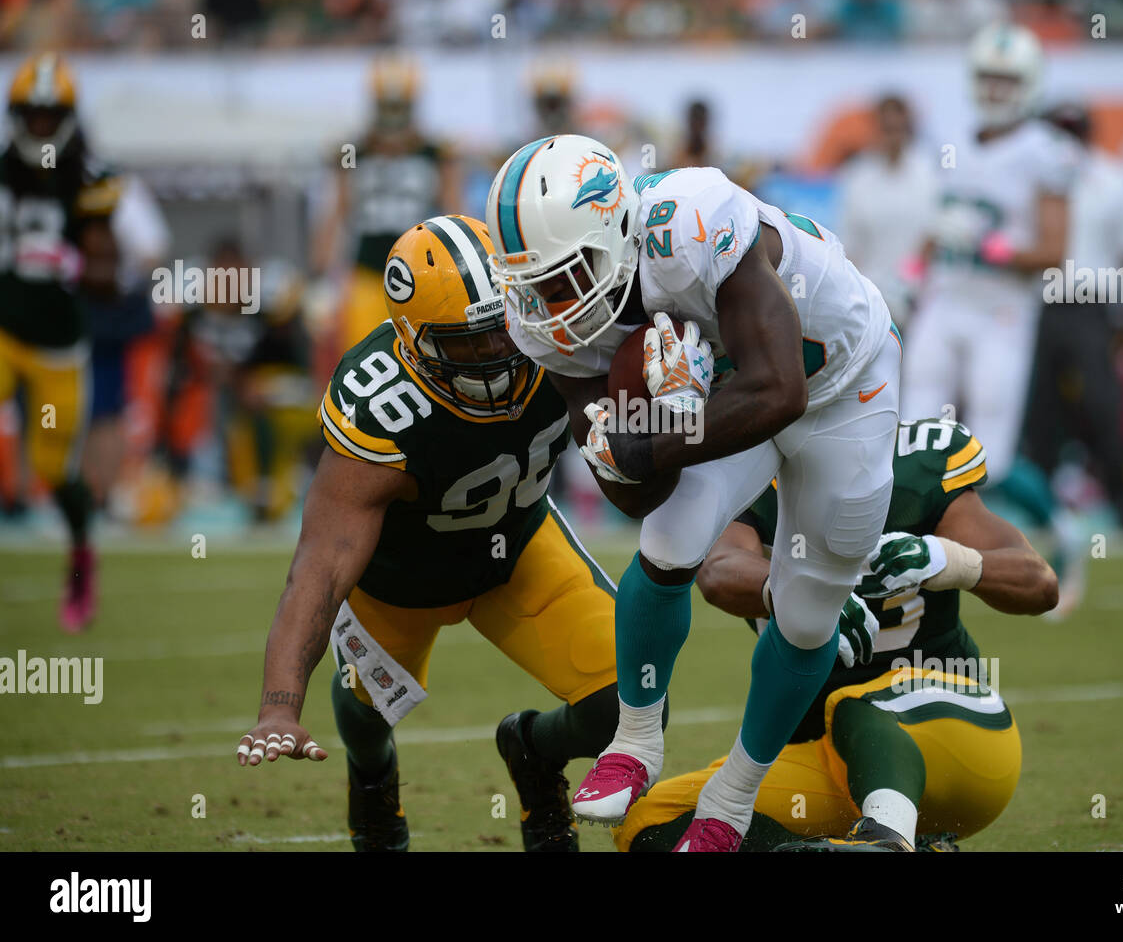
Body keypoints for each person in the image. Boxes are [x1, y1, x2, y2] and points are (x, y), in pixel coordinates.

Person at [486, 133, 901, 851]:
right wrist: (651, 437)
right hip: (731, 395)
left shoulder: (691, 224)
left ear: (617, 231)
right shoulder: (546, 324)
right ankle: (635, 738)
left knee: (805, 613)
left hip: (845, 385)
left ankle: (731, 800)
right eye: (534, 284)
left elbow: (780, 389)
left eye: (566, 275)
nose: (550, 304)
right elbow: (633, 496)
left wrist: (658, 434)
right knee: (668, 538)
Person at [235, 216, 624, 854]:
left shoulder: (566, 334)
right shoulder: (382, 404)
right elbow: (321, 565)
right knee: (365, 721)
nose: (497, 353)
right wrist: (279, 705)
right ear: (413, 342)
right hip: (401, 584)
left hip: (518, 550)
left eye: (502, 328)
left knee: (629, 698)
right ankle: (373, 778)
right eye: (467, 344)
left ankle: (532, 750)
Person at [617, 418, 1057, 851]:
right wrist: (795, 593)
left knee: (855, 706)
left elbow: (1040, 584)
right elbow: (718, 573)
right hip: (826, 757)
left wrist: (948, 558)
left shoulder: (916, 464)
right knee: (649, 823)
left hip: (949, 729)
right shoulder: (752, 473)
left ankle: (890, 840)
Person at [901, 23, 1085, 612]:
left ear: (1029, 84)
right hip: (945, 304)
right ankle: (913, 574)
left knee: (994, 459)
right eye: (989, 77)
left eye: (1008, 79)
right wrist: (909, 279)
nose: (997, 89)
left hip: (1000, 312)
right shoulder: (952, 139)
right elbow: (931, 232)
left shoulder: (1045, 151)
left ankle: (1065, 534)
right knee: (910, 444)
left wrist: (991, 248)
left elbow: (1054, 249)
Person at [0, 52, 122, 631]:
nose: (41, 125)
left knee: (53, 466)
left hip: (56, 345)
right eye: (33, 114)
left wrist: (69, 258)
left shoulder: (89, 177)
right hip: (3, 332)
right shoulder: (4, 169)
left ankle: (80, 562)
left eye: (51, 115)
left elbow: (109, 276)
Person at [1022, 102, 1123, 533]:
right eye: (1058, 133)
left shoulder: (1112, 179)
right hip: (1040, 305)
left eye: (1073, 132)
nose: (1067, 142)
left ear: (1087, 133)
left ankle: (1122, 510)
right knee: (1038, 415)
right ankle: (1041, 516)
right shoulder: (1032, 179)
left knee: (1104, 410)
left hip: (1090, 308)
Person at [313, 55, 461, 356]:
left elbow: (452, 210)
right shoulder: (354, 151)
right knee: (364, 354)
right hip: (367, 274)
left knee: (423, 354)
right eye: (388, 106)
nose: (393, 117)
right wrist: (319, 269)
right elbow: (337, 210)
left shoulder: (436, 153)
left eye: (399, 106)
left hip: (420, 273)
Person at [837, 94, 937, 327]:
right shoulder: (856, 177)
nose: (893, 136)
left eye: (899, 128)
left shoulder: (929, 173)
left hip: (923, 297)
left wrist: (909, 280)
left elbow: (933, 234)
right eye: (887, 128)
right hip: (872, 298)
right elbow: (850, 245)